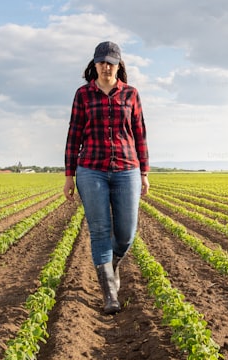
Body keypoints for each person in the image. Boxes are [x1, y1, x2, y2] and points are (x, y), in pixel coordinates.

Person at [64, 40, 150, 314]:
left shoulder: (131, 94)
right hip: (91, 169)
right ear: (95, 65)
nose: (105, 66)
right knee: (100, 230)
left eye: (110, 62)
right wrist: (69, 176)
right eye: (101, 62)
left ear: (119, 65)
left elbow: (140, 134)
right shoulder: (83, 95)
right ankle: (110, 293)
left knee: (126, 233)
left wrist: (145, 172)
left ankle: (111, 265)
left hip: (127, 169)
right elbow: (73, 135)